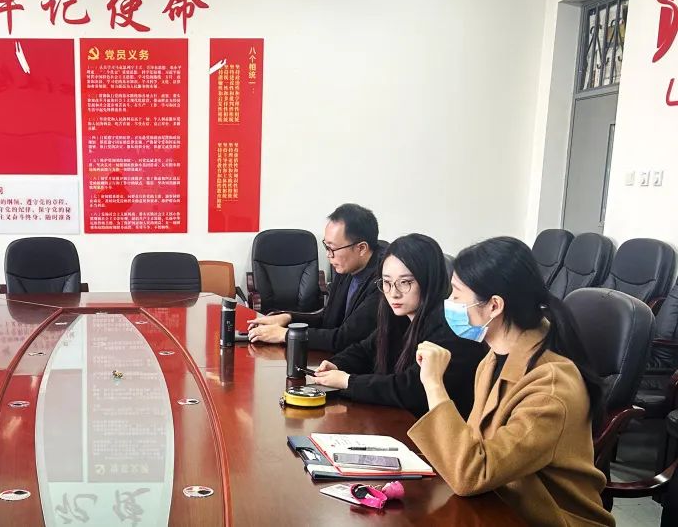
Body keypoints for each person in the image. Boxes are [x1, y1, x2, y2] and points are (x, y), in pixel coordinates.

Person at [409, 237, 613, 526]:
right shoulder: (493, 358)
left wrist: (433, 384)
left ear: (494, 305)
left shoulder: (550, 388)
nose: (449, 303)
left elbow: (471, 474)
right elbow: (474, 450)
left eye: (456, 294)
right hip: (498, 505)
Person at [310, 234, 486, 418]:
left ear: (428, 280)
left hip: (435, 428)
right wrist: (337, 365)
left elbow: (411, 389)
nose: (393, 293)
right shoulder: (399, 316)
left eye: (405, 282)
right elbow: (365, 350)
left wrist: (348, 381)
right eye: (387, 282)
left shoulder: (450, 328)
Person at [248, 203, 382, 352]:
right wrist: (288, 318)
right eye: (326, 246)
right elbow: (328, 319)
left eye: (332, 248)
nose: (328, 255)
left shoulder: (383, 282)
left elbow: (344, 339)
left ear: (361, 248)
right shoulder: (348, 267)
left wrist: (286, 334)